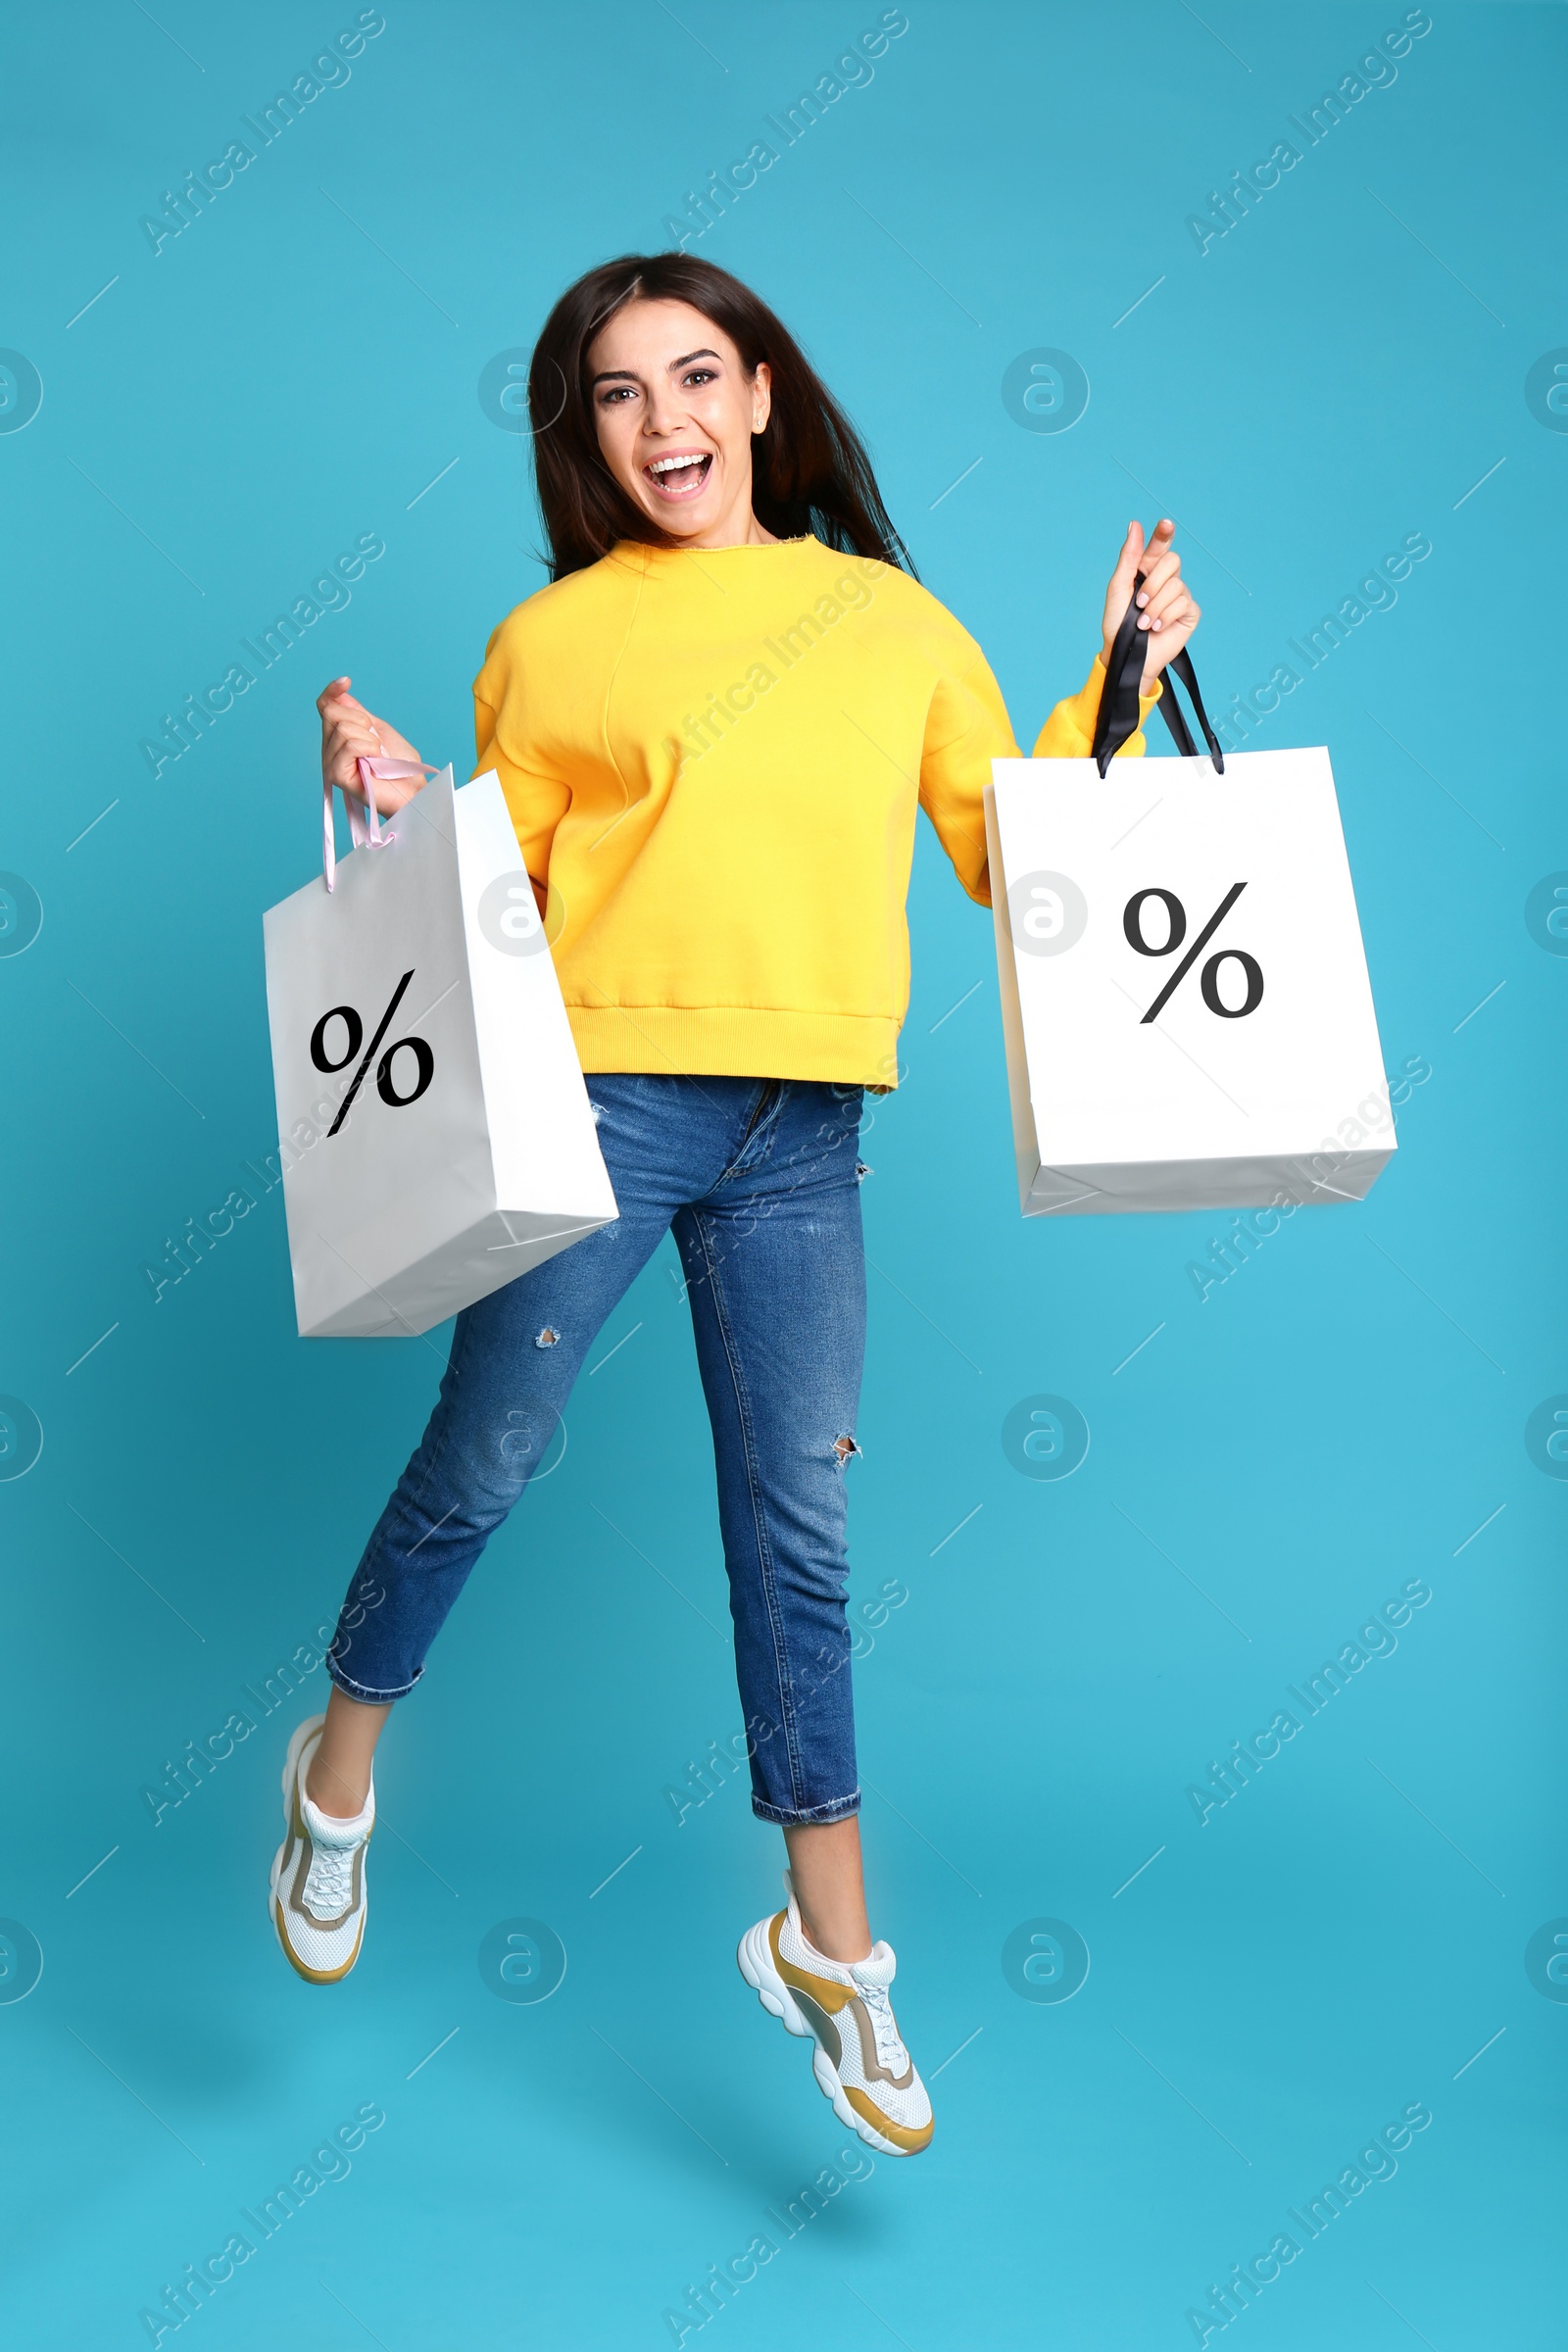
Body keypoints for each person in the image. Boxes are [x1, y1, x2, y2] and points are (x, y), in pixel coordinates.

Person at [270, 251, 1200, 2158]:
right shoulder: (554, 642)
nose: (664, 424)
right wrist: (381, 800)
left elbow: (1013, 844)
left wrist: (1124, 679)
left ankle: (833, 1957)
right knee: (491, 1448)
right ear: (586, 432)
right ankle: (335, 1775)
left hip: (803, 1124)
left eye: (696, 379)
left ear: (763, 393)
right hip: (601, 1102)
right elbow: (480, 909)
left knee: (797, 1523)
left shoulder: (885, 622)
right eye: (617, 395)